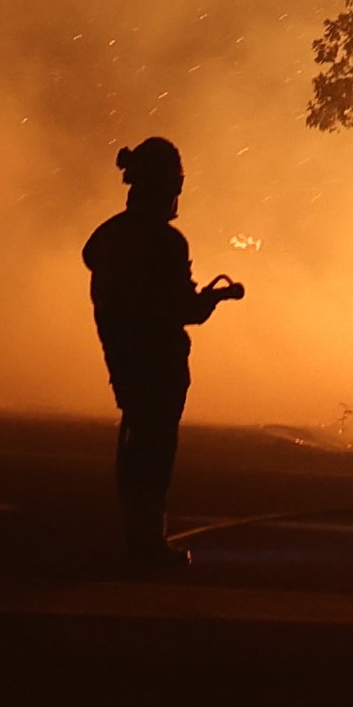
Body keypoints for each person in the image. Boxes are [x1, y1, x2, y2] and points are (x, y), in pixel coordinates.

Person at [81, 136, 243, 568]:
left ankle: (137, 533)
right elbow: (182, 308)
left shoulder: (109, 236)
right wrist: (214, 300)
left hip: (121, 357)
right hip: (158, 362)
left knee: (135, 444)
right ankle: (148, 543)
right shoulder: (166, 243)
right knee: (154, 452)